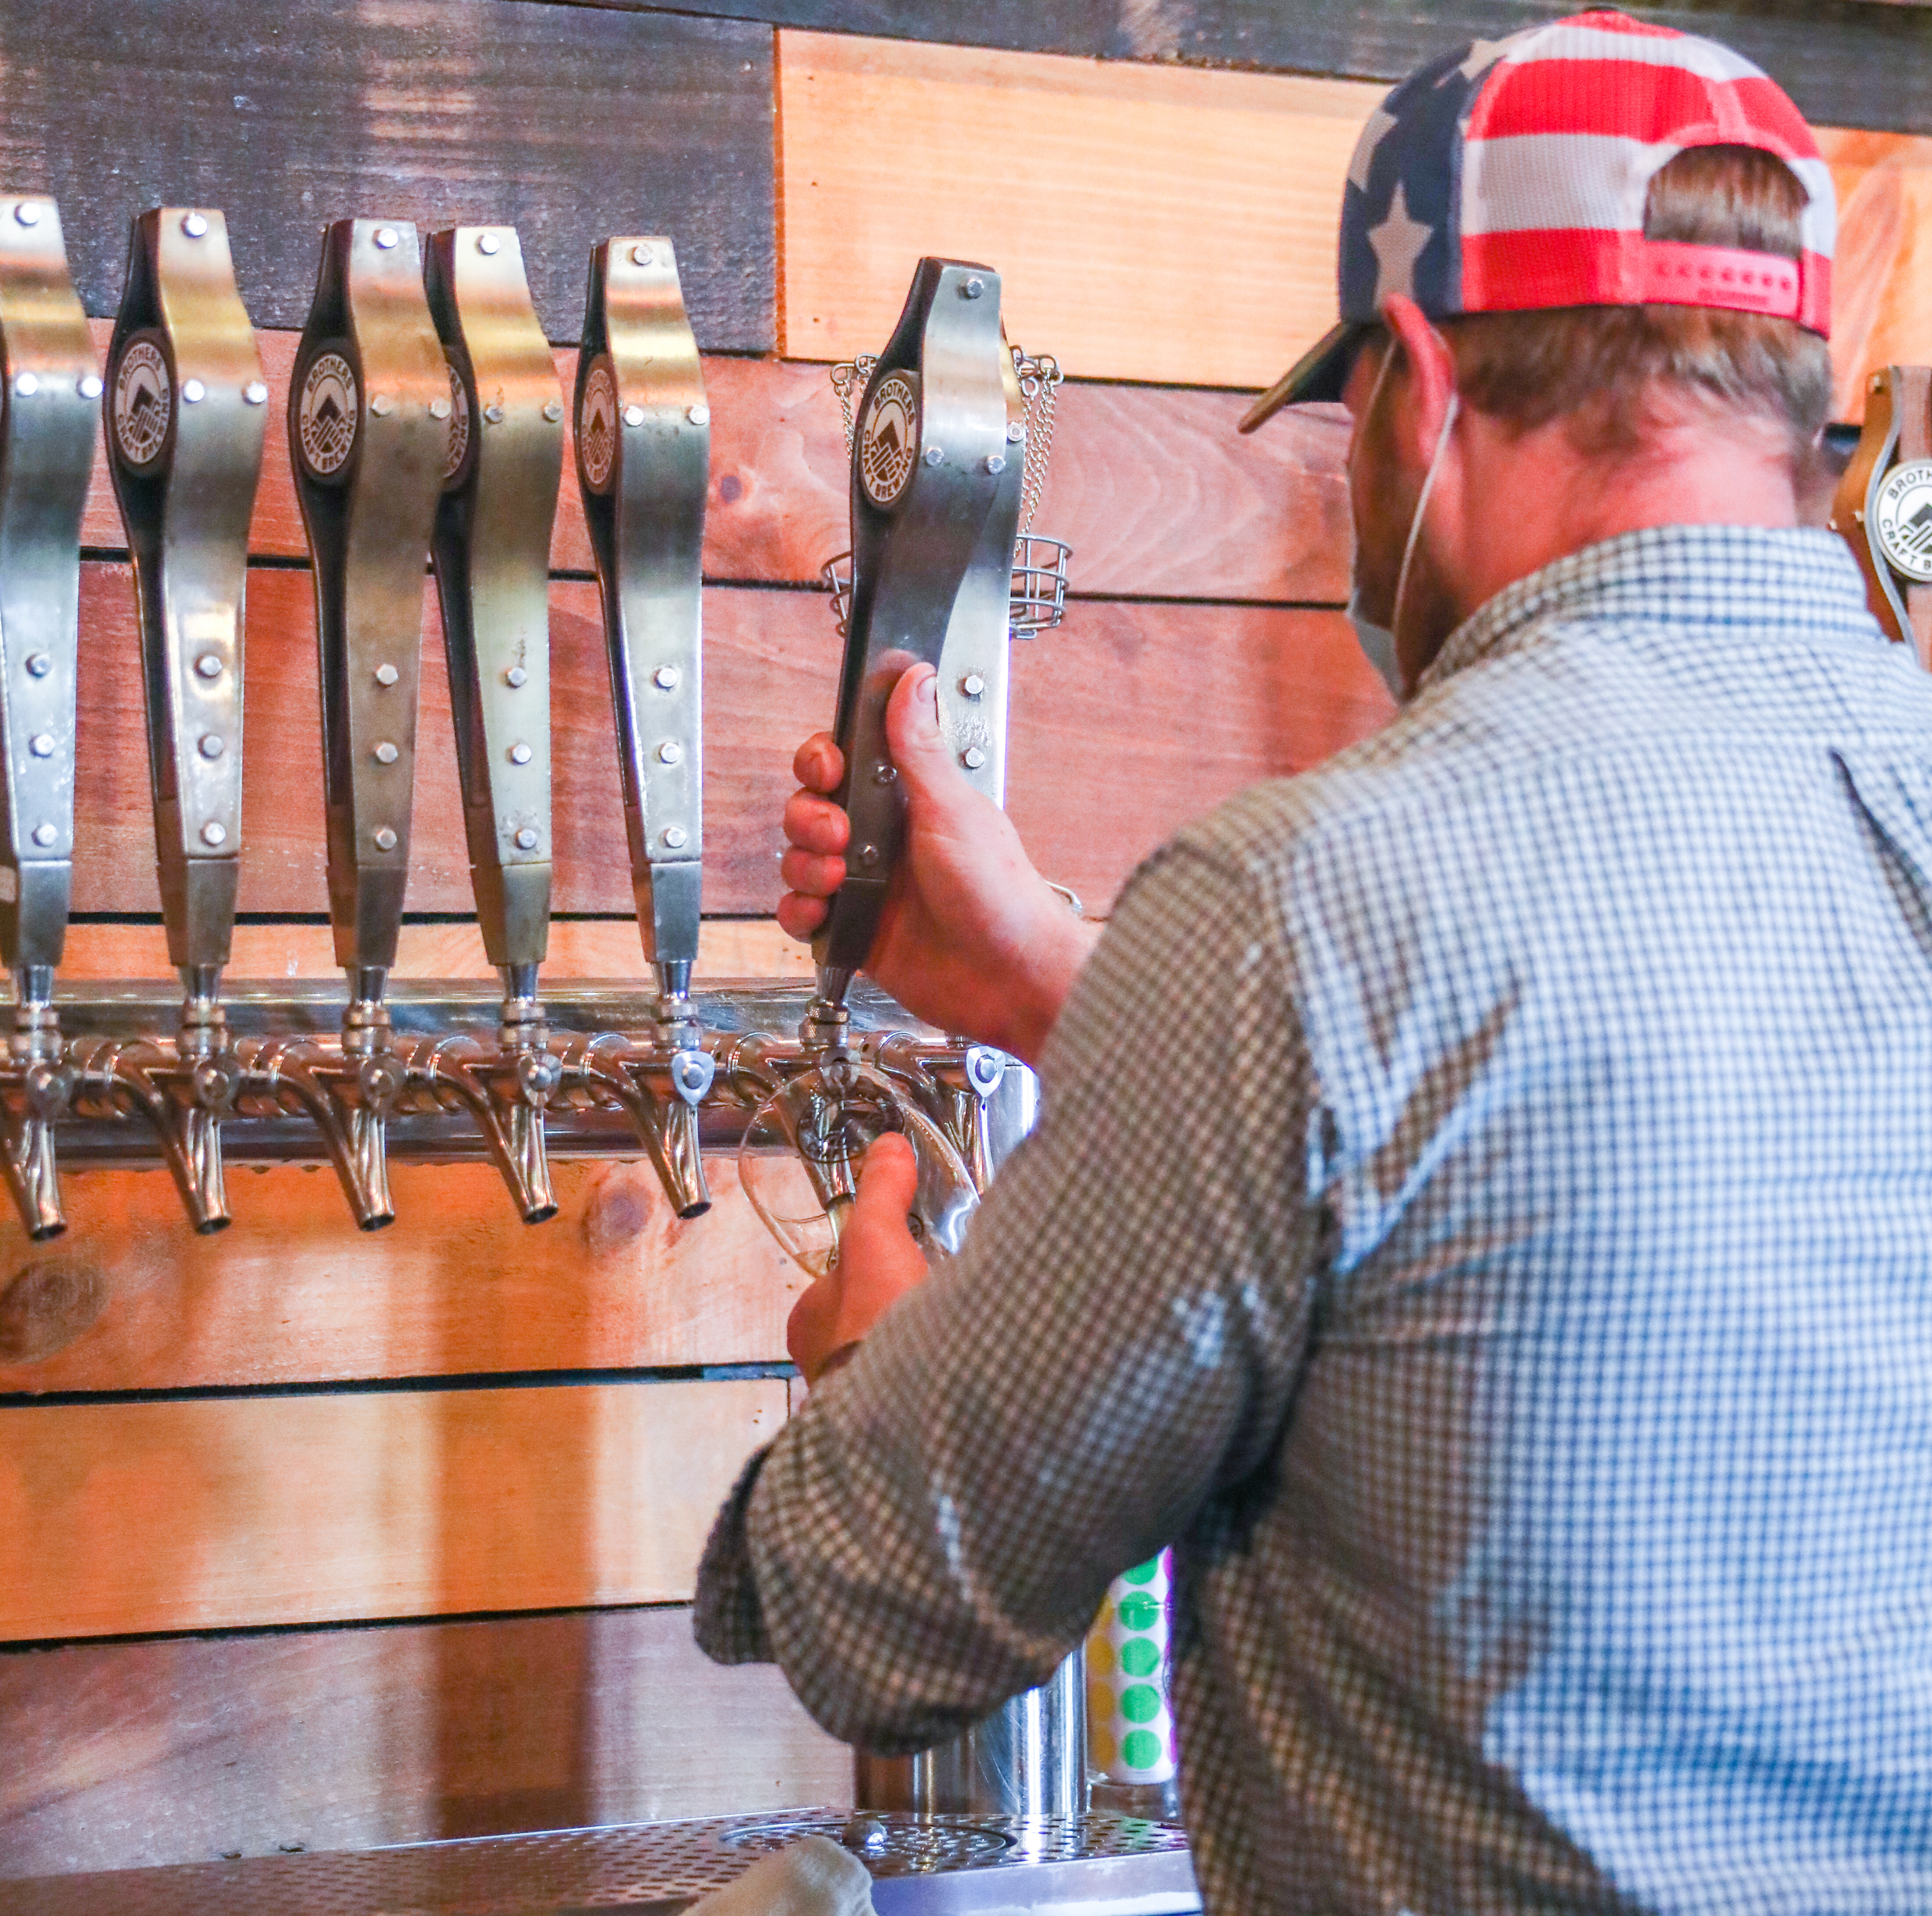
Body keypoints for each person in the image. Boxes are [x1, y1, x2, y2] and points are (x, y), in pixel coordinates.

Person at [698, 11, 1932, 1911]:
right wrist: (1070, 993)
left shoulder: (1300, 910)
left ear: (1421, 390)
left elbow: (877, 1610)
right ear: (1791, 390)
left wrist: (870, 1358)